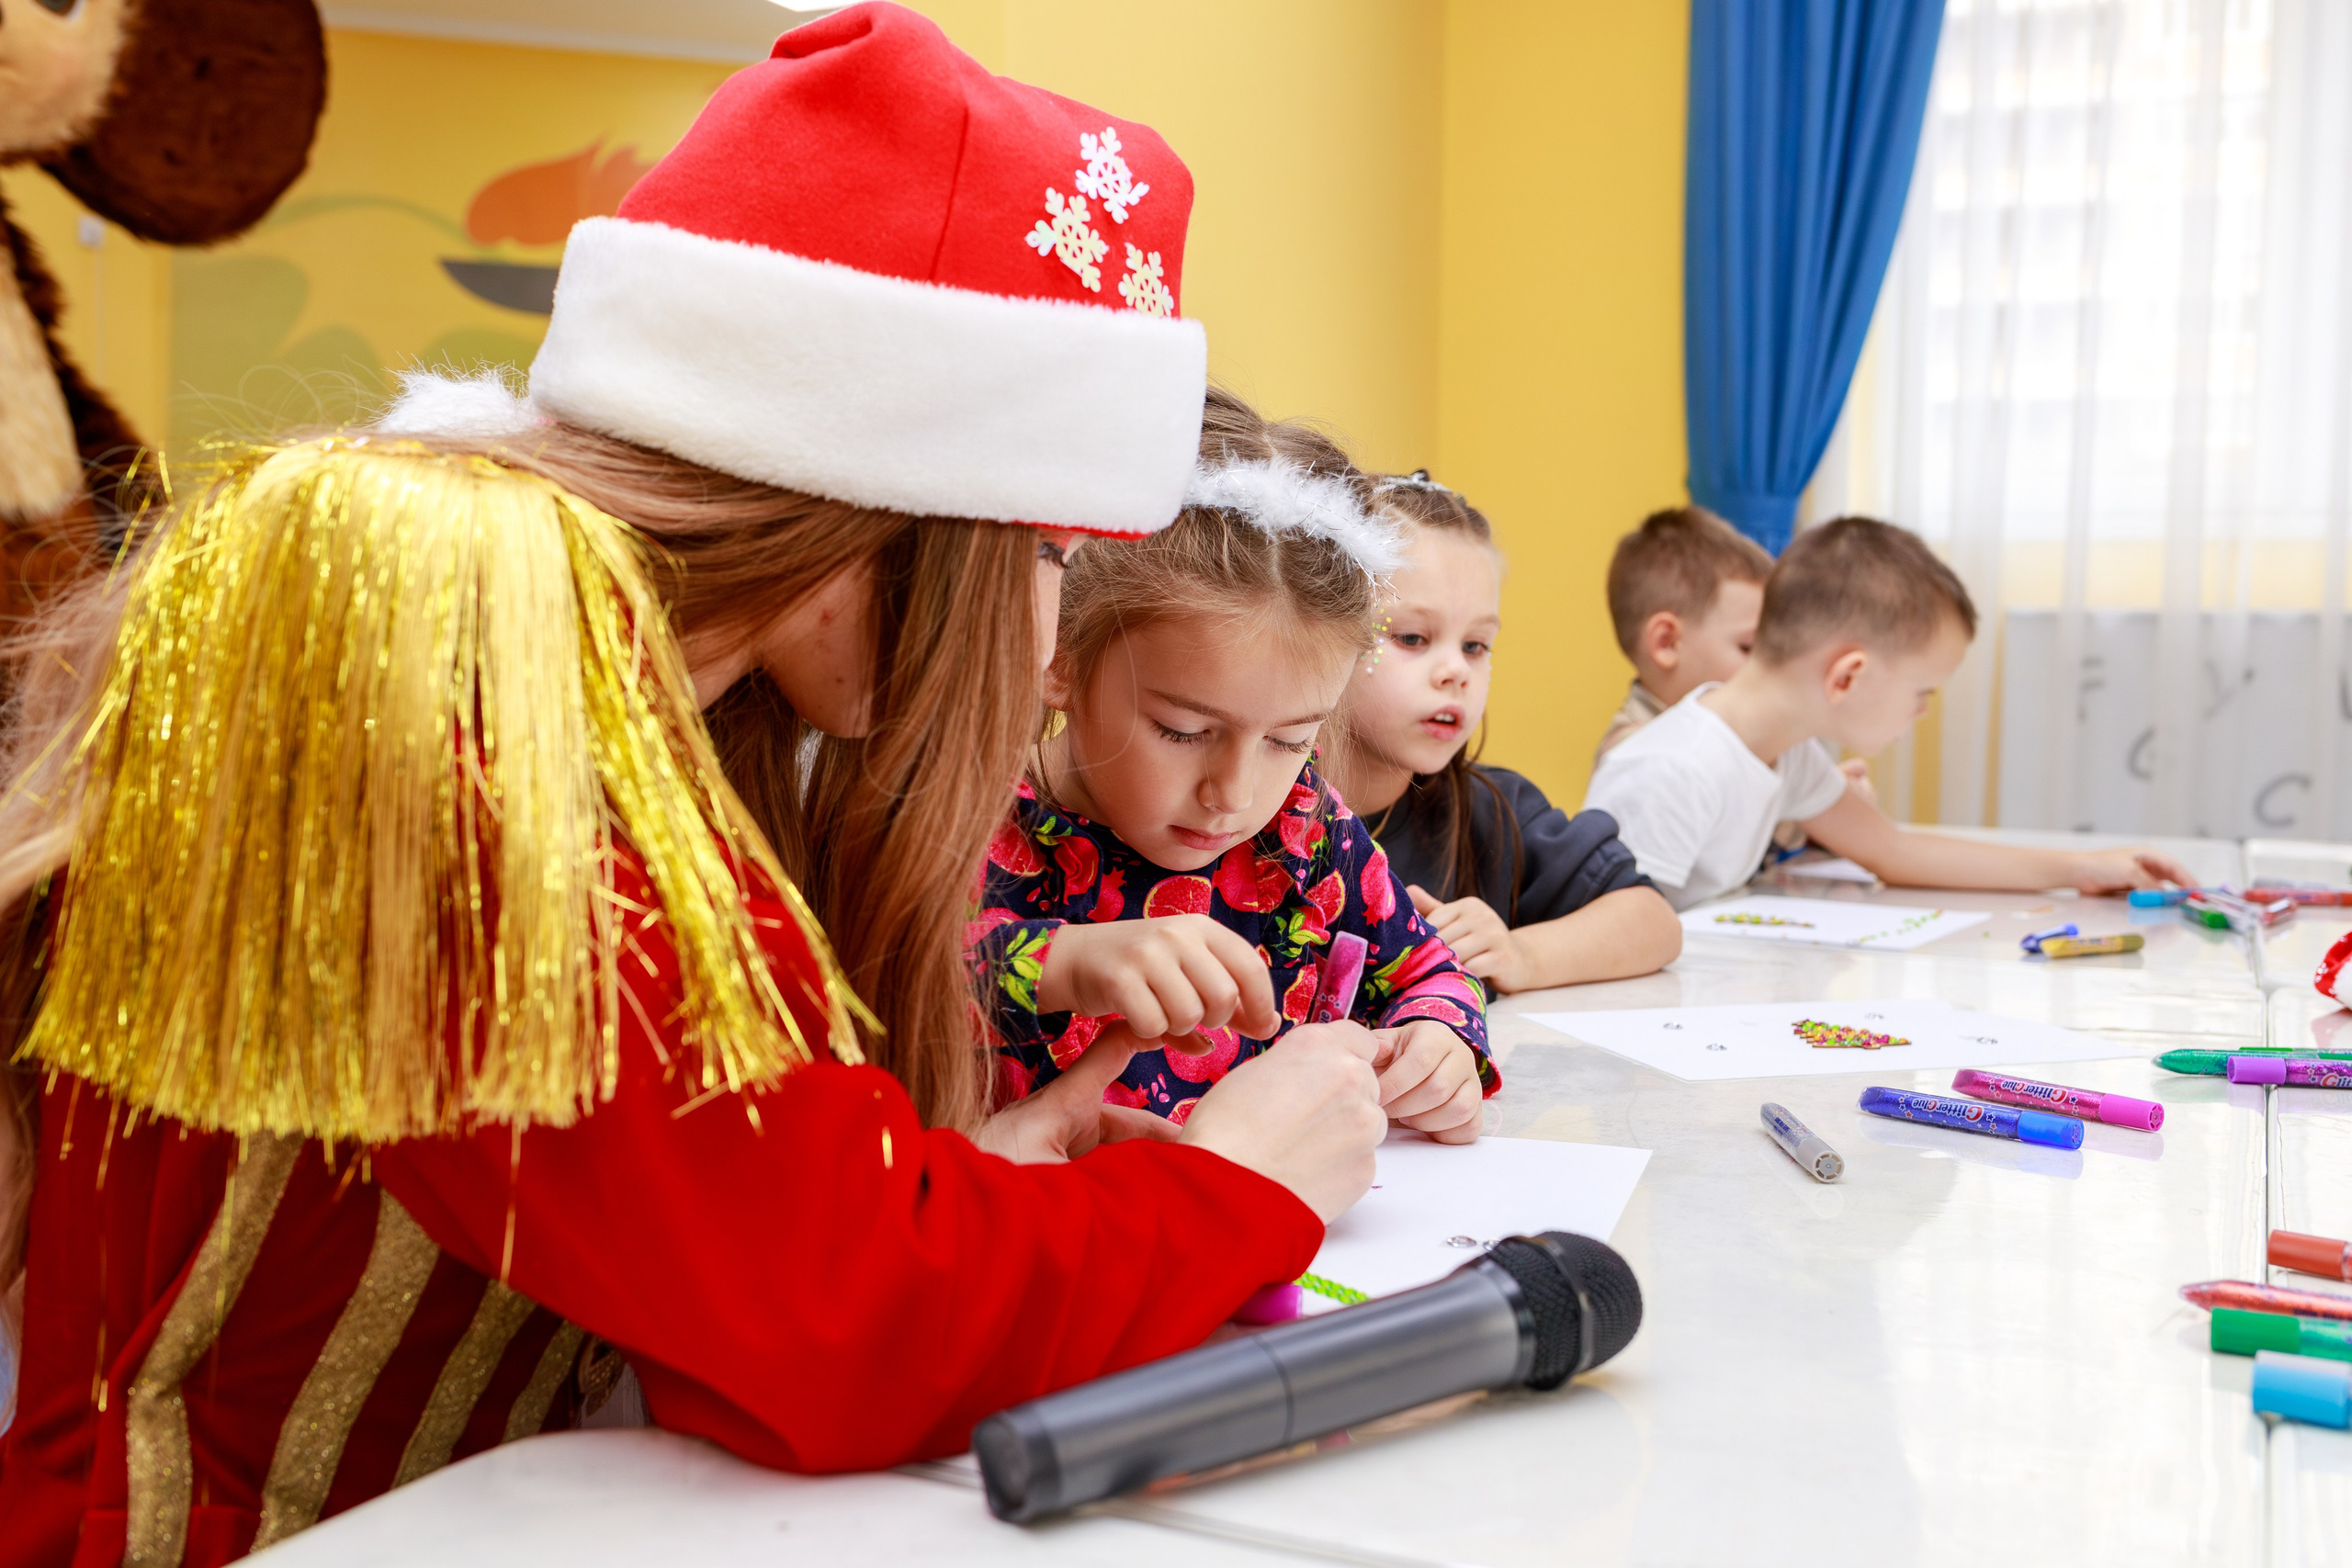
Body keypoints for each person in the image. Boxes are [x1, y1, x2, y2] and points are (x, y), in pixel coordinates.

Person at [0, 10, 1390, 1564]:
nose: (1049, 631)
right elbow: (839, 1324)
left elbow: (717, 1224)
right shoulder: (468, 643)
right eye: (1055, 556)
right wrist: (1231, 1181)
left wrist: (955, 1192)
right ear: (896, 505)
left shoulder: (560, 630)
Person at [971, 398, 1492, 1145]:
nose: (1234, 793)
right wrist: (1058, 962)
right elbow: (887, 987)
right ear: (1063, 660)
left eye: (1289, 739)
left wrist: (1441, 1045)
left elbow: (1431, 971)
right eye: (1183, 730)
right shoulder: (974, 824)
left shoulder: (1308, 830)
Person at [1584, 516, 2196, 910]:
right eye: (1922, 691)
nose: (1923, 712)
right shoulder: (1673, 767)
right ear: (1848, 675)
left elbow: (1895, 851)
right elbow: (1612, 937)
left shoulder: (1784, 752)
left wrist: (2081, 868)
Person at [1322, 472, 1680, 994]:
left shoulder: (1494, 811)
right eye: (1413, 637)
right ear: (1328, 636)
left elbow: (1655, 923)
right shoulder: (1252, 809)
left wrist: (1524, 955)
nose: (1456, 672)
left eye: (1475, 645)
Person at [1596, 505, 1773, 761]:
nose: (1769, 666)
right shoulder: (1634, 756)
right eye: (1748, 647)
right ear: (1667, 643)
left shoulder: (1724, 733)